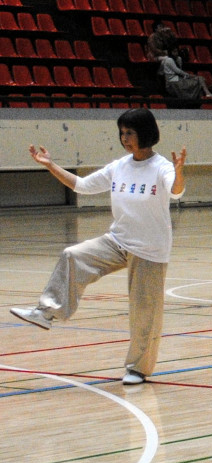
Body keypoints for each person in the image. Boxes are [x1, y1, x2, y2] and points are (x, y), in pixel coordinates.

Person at [10, 108, 186, 385]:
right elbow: (81, 185)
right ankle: (47, 313)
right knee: (73, 255)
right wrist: (50, 165)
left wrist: (178, 172)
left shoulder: (162, 167)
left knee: (144, 311)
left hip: (150, 249)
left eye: (130, 133)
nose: (125, 138)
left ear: (146, 133)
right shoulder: (119, 166)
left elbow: (176, 192)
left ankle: (138, 368)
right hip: (118, 240)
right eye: (122, 133)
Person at [151, 27, 212, 101]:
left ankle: (204, 97)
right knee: (199, 79)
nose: (176, 53)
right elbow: (178, 71)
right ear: (170, 52)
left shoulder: (178, 59)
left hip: (180, 79)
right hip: (173, 82)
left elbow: (180, 70)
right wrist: (190, 76)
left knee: (200, 79)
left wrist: (188, 76)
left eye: (177, 51)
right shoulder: (168, 60)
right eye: (174, 52)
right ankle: (207, 94)